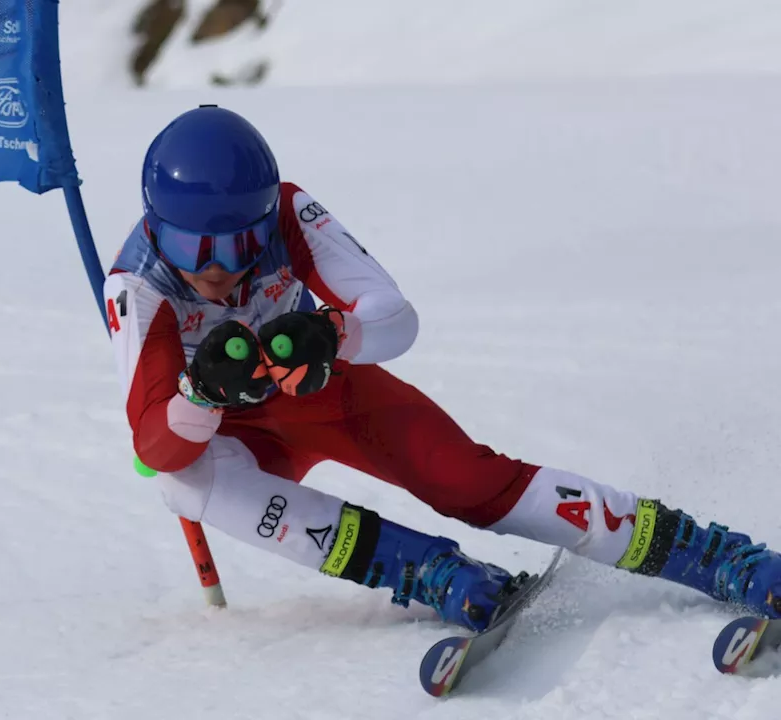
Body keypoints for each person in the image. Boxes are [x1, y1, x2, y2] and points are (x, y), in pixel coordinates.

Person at [102, 104, 781, 631]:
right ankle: (426, 570)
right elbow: (153, 441)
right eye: (192, 246)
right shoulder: (141, 285)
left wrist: (333, 333)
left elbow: (396, 318)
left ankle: (715, 555)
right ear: (157, 226)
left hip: (319, 391)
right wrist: (201, 392)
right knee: (182, 482)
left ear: (264, 217)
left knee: (469, 483)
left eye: (240, 242)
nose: (215, 267)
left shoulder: (288, 213)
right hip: (235, 435)